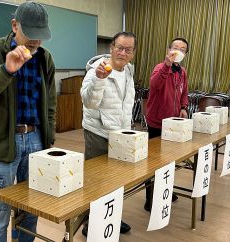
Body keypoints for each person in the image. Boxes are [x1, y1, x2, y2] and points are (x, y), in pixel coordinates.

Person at [0, 2, 56, 242]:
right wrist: (5, 70)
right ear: (15, 25)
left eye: (41, 36)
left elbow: (49, 103)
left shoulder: (45, 59)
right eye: (30, 34)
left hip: (36, 139)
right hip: (1, 142)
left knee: (30, 208)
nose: (35, 41)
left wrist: (49, 138)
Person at [80, 31, 137, 237]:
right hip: (98, 133)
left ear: (133, 53)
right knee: (96, 182)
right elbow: (89, 102)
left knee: (116, 181)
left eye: (128, 50)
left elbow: (126, 104)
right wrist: (99, 79)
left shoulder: (129, 71)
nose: (122, 53)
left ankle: (112, 217)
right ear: (111, 48)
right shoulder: (97, 70)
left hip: (120, 134)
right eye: (119, 47)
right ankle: (90, 224)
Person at [144, 37, 189, 212]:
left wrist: (184, 107)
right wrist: (166, 65)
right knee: (153, 163)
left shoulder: (182, 71)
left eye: (183, 49)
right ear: (169, 50)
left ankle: (166, 191)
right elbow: (154, 85)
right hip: (157, 122)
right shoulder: (160, 68)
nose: (178, 51)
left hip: (174, 123)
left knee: (170, 161)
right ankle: (150, 199)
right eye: (175, 48)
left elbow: (184, 91)